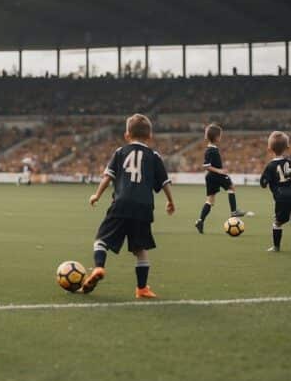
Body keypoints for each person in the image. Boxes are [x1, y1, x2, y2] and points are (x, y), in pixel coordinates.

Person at [84, 114, 176, 299]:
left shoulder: (120, 152)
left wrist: (97, 195)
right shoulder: (154, 156)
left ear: (127, 135)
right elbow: (165, 182)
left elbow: (108, 177)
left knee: (101, 240)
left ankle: (99, 267)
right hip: (144, 207)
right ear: (150, 136)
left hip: (121, 204)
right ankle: (142, 288)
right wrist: (170, 201)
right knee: (140, 249)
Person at [195, 123, 247, 234]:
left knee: (210, 201)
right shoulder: (211, 150)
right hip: (217, 175)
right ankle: (234, 211)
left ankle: (200, 221)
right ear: (217, 137)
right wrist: (220, 171)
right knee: (231, 187)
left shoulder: (212, 149)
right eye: (220, 135)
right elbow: (206, 166)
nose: (221, 137)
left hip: (210, 177)